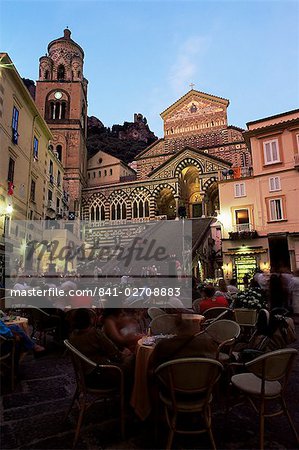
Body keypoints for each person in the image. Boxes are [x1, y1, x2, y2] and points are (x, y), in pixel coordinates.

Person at [69, 309, 134, 389]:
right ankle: (132, 397)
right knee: (135, 361)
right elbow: (115, 354)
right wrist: (126, 354)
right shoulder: (95, 334)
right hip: (102, 375)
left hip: (86, 376)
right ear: (90, 320)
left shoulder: (72, 336)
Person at [149, 314, 218, 371]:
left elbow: (152, 369)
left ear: (176, 327)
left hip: (170, 384)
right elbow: (216, 367)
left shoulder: (164, 345)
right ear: (195, 325)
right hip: (203, 384)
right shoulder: (207, 344)